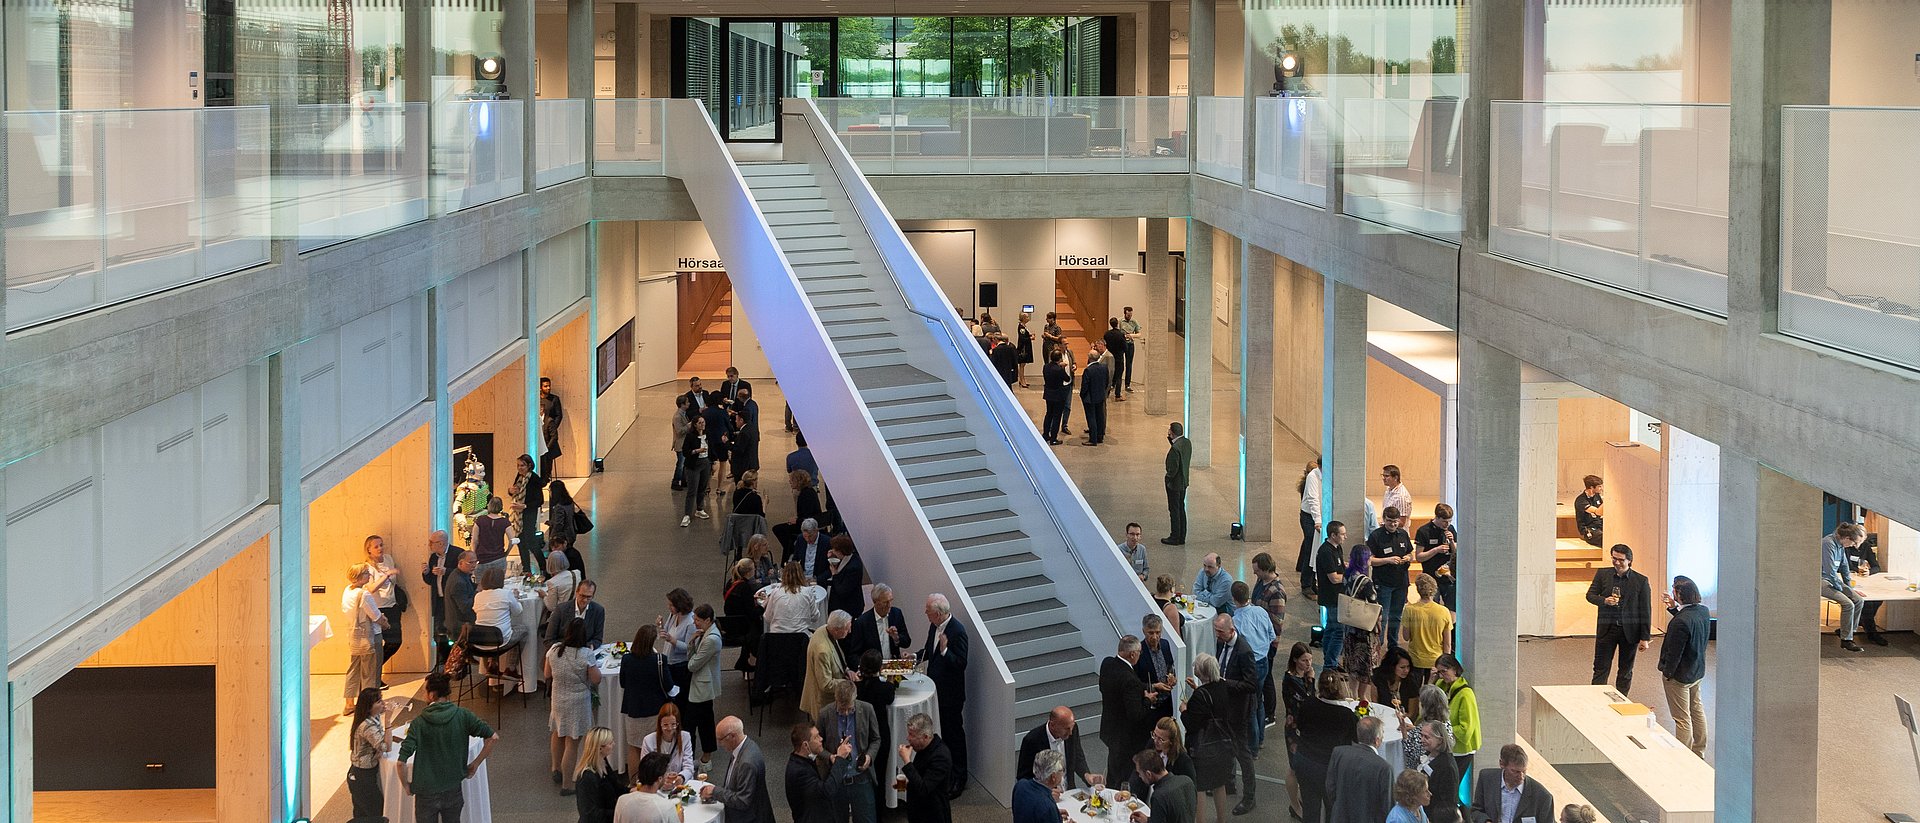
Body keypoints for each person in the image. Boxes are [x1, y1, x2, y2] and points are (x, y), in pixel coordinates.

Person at [397, 672, 498, 823]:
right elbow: (493, 737)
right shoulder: (463, 715)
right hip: (453, 788)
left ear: (432, 695)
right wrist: (475, 765)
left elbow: (401, 762)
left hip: (426, 792)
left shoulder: (418, 723)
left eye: (425, 691)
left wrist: (406, 785)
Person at [1180, 654, 1246, 822]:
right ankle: (1221, 819)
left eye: (1196, 667)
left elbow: (1191, 723)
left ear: (1202, 672)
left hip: (1203, 749)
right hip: (1223, 745)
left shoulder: (1199, 696)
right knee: (1219, 784)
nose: (1194, 668)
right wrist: (1197, 689)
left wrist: (1184, 710)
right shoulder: (1223, 686)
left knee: (1199, 788)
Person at [918, 593, 970, 798]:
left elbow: (961, 664)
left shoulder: (958, 631)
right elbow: (930, 650)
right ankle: (946, 773)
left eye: (928, 611)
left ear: (938, 614)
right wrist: (915, 656)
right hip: (936, 690)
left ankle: (959, 777)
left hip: (951, 695)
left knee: (954, 736)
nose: (925, 613)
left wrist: (946, 650)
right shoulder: (935, 625)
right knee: (943, 735)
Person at [1292, 669, 1358, 823]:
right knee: (1332, 809)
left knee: (1310, 808)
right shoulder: (1346, 715)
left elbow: (1300, 726)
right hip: (1328, 768)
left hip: (1305, 762)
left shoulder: (1308, 704)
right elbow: (1356, 739)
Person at [547, 617, 603, 795]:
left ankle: (555, 768)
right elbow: (596, 679)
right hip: (577, 703)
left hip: (557, 699)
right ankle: (567, 785)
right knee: (572, 743)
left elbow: (547, 673)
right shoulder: (586, 654)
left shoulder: (555, 649)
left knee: (557, 733)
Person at [1586, 544, 1652, 693]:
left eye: (1620, 560)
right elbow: (1590, 595)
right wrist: (1604, 600)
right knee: (1600, 668)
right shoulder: (1602, 574)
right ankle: (1596, 700)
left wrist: (1645, 638)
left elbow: (1646, 611)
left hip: (1629, 632)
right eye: (1614, 558)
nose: (1616, 562)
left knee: (1625, 671)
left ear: (1629, 560)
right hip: (1607, 629)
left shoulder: (1641, 581)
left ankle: (1621, 702)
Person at [1658, 575, 1711, 757]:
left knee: (1682, 718)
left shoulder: (1679, 622)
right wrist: (1673, 608)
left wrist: (1667, 673)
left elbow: (1674, 652)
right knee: (1696, 709)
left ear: (1680, 594)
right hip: (1696, 671)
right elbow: (1688, 622)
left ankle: (1682, 757)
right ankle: (1699, 751)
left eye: (1674, 589)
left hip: (1679, 676)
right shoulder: (1703, 611)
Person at [814, 679, 880, 823]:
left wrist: (869, 757)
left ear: (855, 698)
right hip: (836, 779)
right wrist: (831, 757)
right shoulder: (825, 714)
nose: (844, 713)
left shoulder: (867, 709)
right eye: (841, 709)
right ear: (835, 699)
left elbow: (876, 739)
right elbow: (817, 746)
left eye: (849, 709)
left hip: (861, 777)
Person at [1101, 637, 1158, 785]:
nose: (1140, 655)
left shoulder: (1107, 664)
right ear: (1132, 654)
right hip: (1127, 739)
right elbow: (1135, 714)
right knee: (1125, 776)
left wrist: (1147, 688)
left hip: (1110, 730)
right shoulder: (1129, 679)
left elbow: (1121, 689)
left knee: (1112, 770)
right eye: (1139, 652)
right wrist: (1147, 700)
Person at [1229, 582, 1276, 754]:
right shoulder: (1261, 611)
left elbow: (1237, 647)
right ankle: (1260, 738)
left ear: (1233, 599)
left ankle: (1253, 746)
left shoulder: (1236, 621)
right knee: (1259, 700)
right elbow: (1272, 635)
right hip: (1264, 661)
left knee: (1249, 705)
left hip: (1250, 665)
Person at [702, 716, 774, 823]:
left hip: (748, 818)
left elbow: (743, 801)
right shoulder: (746, 746)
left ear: (732, 736)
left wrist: (715, 791)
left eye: (720, 739)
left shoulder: (747, 763)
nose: (719, 744)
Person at [620, 624, 674, 769]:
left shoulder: (626, 659)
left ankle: (633, 783)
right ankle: (653, 779)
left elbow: (622, 683)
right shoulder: (659, 660)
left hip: (633, 709)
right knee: (654, 747)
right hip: (655, 710)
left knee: (634, 747)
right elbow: (668, 685)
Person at [1325, 716, 1393, 823]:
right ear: (1377, 740)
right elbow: (1387, 806)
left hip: (1340, 817)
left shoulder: (1338, 752)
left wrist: (1339, 808)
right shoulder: (1384, 768)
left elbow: (1330, 788)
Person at [341, 563, 389, 715]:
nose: (370, 575)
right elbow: (375, 616)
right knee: (371, 672)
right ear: (360, 577)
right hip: (370, 637)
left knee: (353, 669)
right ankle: (369, 706)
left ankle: (349, 703)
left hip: (354, 636)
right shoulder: (364, 594)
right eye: (367, 573)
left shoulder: (347, 590)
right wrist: (385, 623)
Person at [786, 722, 857, 823]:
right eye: (816, 737)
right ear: (805, 745)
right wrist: (840, 759)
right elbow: (826, 790)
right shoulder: (799, 772)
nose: (821, 739)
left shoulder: (804, 760)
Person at [1017, 705, 1099, 791]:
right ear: (1052, 725)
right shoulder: (1032, 740)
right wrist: (1045, 792)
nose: (1070, 732)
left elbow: (1077, 756)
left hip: (1069, 791)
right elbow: (1024, 777)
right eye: (1066, 729)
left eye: (1072, 727)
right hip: (1046, 796)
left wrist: (1086, 775)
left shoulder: (1072, 729)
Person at [1468, 744, 1554, 823]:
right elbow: (1476, 811)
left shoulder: (1542, 796)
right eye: (1515, 771)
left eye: (1524, 771)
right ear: (1502, 764)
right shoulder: (1486, 779)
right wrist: (1486, 821)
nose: (1521, 777)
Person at [1367, 505, 1415, 648]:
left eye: (1395, 521)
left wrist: (1407, 558)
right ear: (1384, 520)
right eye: (1389, 521)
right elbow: (1370, 560)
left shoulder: (1403, 534)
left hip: (1401, 583)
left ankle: (1393, 645)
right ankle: (1378, 644)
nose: (1393, 524)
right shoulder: (1376, 536)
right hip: (1383, 583)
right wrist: (1387, 560)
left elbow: (1411, 554)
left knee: (1396, 616)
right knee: (1382, 617)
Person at [1249, 552, 1288, 726]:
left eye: (1257, 571)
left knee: (1267, 677)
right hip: (1257, 636)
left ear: (1265, 569)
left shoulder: (1277, 592)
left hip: (1268, 641)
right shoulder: (1261, 582)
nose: (1255, 574)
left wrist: (1257, 615)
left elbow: (1277, 622)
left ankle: (1270, 713)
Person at [685, 604, 724, 775]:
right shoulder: (705, 634)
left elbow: (692, 665)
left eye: (697, 620)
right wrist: (693, 641)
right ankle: (702, 756)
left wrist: (692, 644)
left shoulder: (711, 640)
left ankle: (706, 757)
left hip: (702, 686)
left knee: (701, 723)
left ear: (707, 620)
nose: (694, 622)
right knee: (703, 721)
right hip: (701, 684)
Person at [1434, 655, 1480, 796]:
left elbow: (1466, 730)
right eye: (1439, 672)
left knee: (1451, 789)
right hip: (1448, 745)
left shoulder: (1466, 694)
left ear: (1454, 669)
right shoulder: (1440, 686)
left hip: (1461, 750)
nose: (1442, 676)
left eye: (1444, 671)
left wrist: (1440, 731)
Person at [898, 712, 954, 823]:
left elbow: (924, 789)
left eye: (912, 735)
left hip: (933, 815)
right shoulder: (924, 748)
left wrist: (907, 761)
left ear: (925, 737)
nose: (908, 738)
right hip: (919, 810)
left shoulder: (940, 756)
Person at [1339, 544, 1383, 684]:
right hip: (1363, 629)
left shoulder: (1347, 575)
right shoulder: (1366, 581)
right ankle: (1363, 697)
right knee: (1364, 666)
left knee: (1352, 664)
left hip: (1350, 626)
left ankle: (1352, 694)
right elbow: (1373, 604)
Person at [1400, 573, 1455, 684]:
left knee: (1414, 694)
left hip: (1416, 659)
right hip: (1436, 661)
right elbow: (1447, 643)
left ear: (1418, 589)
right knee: (1432, 694)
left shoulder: (1410, 610)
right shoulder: (1443, 611)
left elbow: (1406, 637)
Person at [1822, 522, 1869, 652]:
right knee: (1848, 604)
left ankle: (1846, 631)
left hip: (1833, 580)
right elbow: (1830, 571)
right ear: (1847, 538)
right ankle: (1846, 640)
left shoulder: (1840, 546)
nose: (1853, 546)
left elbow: (1844, 567)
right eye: (1853, 543)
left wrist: (1850, 589)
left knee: (1859, 600)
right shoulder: (1828, 543)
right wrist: (1841, 589)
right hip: (1821, 580)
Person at [470, 567, 522, 683]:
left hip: (479, 641)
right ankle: (511, 668)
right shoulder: (506, 594)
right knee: (524, 629)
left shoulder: (478, 596)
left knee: (492, 627)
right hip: (500, 641)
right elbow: (518, 612)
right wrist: (516, 598)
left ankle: (492, 665)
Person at [362, 535, 404, 679]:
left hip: (393, 606)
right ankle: (373, 675)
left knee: (395, 642)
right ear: (369, 550)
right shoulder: (367, 567)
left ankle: (374, 672)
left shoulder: (388, 559)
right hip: (379, 610)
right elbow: (371, 588)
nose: (380, 548)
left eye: (381, 545)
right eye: (376, 546)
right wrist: (386, 575)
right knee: (380, 644)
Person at [1129, 717, 1199, 799]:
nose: (1156, 741)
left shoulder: (1183, 760)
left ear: (1171, 741)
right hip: (1148, 795)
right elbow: (1140, 770)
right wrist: (1130, 792)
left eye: (1161, 739)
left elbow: (1190, 789)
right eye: (1154, 735)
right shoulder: (1151, 744)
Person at [801, 609, 856, 714]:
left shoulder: (825, 629)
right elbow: (826, 684)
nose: (849, 631)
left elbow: (838, 656)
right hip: (824, 703)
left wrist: (847, 670)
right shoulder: (823, 651)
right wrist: (849, 683)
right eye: (846, 629)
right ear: (836, 629)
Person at [346, 687, 387, 823]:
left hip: (361, 774)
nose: (383, 703)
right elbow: (385, 746)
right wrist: (389, 722)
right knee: (374, 812)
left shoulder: (372, 719)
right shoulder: (367, 726)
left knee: (362, 813)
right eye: (379, 701)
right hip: (361, 776)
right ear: (369, 707)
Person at [1132, 748, 1199, 823]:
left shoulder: (1159, 796)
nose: (1139, 776)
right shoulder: (1187, 781)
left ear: (1148, 774)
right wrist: (1149, 820)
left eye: (1140, 773)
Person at [848, 583, 912, 661]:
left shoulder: (896, 614)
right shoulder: (862, 622)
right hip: (873, 669)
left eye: (891, 600)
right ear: (875, 602)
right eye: (885, 602)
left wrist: (896, 638)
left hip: (893, 667)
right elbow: (853, 655)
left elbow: (907, 642)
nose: (889, 605)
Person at [1413, 504, 1458, 610]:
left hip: (1448, 578)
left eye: (1450, 521)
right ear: (1436, 517)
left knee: (1452, 609)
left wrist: (1452, 541)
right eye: (1444, 521)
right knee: (1432, 609)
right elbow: (1419, 557)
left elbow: (1456, 553)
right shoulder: (1424, 531)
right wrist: (1436, 550)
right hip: (1431, 577)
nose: (1447, 524)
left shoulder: (1450, 529)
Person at [613, 752, 680, 823]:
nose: (667, 776)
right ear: (660, 779)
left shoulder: (621, 801)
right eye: (666, 774)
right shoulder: (667, 807)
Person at [1315, 521, 1348, 661]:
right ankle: (1331, 662)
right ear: (1333, 535)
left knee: (1330, 628)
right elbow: (1334, 578)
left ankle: (1328, 658)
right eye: (1342, 534)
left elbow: (1340, 566)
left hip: (1338, 596)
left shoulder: (1337, 547)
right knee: (1338, 631)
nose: (1345, 537)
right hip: (1331, 596)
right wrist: (1350, 576)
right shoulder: (1326, 552)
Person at [574, 727, 622, 823]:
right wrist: (619, 812)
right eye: (610, 743)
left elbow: (616, 786)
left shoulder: (603, 762)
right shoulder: (587, 777)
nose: (614, 744)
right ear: (600, 748)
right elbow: (589, 814)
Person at [422, 530, 456, 663]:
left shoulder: (457, 553)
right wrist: (426, 573)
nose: (429, 545)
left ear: (441, 543)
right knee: (439, 631)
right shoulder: (433, 557)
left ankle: (457, 660)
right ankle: (444, 659)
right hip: (439, 600)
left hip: (453, 601)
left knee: (454, 630)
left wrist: (446, 571)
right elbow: (431, 581)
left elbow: (465, 574)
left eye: (431, 542)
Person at [1418, 721, 1462, 823]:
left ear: (1440, 740)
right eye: (1421, 736)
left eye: (1426, 737)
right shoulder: (1429, 754)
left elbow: (1447, 802)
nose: (1422, 740)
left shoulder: (1447, 767)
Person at [1136, 613, 1178, 720]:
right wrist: (1154, 686)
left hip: (1167, 703)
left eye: (1158, 632)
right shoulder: (1138, 652)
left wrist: (1172, 677)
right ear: (1143, 632)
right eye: (1151, 633)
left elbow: (1170, 667)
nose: (1155, 637)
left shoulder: (1165, 644)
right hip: (1149, 705)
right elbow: (1135, 683)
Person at [641, 703, 696, 784]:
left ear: (678, 724)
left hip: (679, 785)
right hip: (656, 785)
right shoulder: (648, 740)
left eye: (673, 724)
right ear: (660, 724)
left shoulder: (685, 737)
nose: (670, 728)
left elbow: (689, 766)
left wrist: (681, 778)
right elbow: (645, 770)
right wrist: (661, 781)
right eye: (665, 725)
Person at [766, 560, 824, 635]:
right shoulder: (807, 592)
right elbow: (815, 617)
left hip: (777, 639)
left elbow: (767, 617)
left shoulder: (775, 592)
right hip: (801, 639)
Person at [547, 578, 606, 649]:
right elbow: (549, 640)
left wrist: (588, 648)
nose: (585, 600)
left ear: (593, 596)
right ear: (576, 592)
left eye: (588, 597)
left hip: (585, 652)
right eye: (582, 596)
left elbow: (597, 639)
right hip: (562, 652)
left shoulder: (598, 610)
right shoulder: (561, 609)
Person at [1014, 750, 1067, 823]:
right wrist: (1052, 815)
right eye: (1062, 771)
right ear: (1053, 777)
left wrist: (1055, 815)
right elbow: (1043, 810)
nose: (1063, 774)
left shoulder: (1020, 785)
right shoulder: (1047, 806)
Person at [679, 415, 714, 527]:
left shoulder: (707, 435)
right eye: (699, 423)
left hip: (705, 464)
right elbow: (685, 452)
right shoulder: (690, 436)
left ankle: (700, 509)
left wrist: (713, 463)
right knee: (692, 490)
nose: (702, 424)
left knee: (702, 488)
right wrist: (696, 451)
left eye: (703, 422)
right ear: (695, 425)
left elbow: (712, 450)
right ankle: (687, 514)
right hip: (693, 465)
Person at [1298, 458, 1324, 599]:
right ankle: (1306, 584)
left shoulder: (1328, 474)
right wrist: (1318, 521)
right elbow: (1313, 499)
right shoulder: (1313, 477)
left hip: (1321, 516)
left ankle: (1315, 582)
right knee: (1310, 549)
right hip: (1309, 517)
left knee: (1319, 550)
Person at [825, 535, 866, 619]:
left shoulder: (853, 567)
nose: (833, 551)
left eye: (835, 550)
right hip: (841, 602)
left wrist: (834, 574)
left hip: (848, 606)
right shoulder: (848, 557)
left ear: (840, 551)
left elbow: (842, 591)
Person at [1164, 423, 1192, 545]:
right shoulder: (1186, 443)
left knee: (1174, 510)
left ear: (1172, 432)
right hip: (1184, 482)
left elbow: (1173, 468)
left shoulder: (1175, 449)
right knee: (1181, 508)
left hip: (1174, 484)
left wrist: (1168, 478)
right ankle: (1182, 536)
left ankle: (1174, 536)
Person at [472, 496, 510, 575]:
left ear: (489, 505)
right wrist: (506, 552)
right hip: (499, 558)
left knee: (481, 586)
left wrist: (474, 553)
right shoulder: (505, 522)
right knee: (498, 585)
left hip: (482, 559)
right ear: (501, 507)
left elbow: (475, 540)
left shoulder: (480, 520)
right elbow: (513, 540)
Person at [1080, 346, 1110, 445]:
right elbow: (1107, 382)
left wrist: (1082, 395)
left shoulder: (1088, 370)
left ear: (1089, 358)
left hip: (1090, 398)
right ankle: (1100, 437)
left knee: (1091, 418)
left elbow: (1085, 386)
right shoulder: (1104, 367)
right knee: (1100, 416)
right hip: (1100, 396)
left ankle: (1093, 439)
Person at [1042, 350, 1073, 444]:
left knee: (1049, 414)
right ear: (1060, 359)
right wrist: (1062, 368)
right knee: (1057, 417)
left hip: (1048, 394)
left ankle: (1046, 434)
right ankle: (1053, 439)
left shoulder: (1046, 367)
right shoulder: (1059, 370)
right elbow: (1067, 378)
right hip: (1058, 395)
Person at [539, 375, 564, 478]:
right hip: (539, 432)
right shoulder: (536, 399)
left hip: (549, 432)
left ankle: (547, 476)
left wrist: (552, 428)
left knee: (548, 457)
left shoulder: (554, 399)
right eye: (545, 386)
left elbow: (559, 415)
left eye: (549, 386)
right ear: (540, 387)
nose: (548, 388)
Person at [548, 480, 582, 550]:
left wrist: (552, 537)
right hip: (571, 533)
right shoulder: (569, 501)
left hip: (563, 536)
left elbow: (559, 524)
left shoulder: (559, 507)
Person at [670, 395, 694, 491]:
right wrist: (689, 425)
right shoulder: (677, 417)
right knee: (680, 464)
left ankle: (684, 481)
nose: (689, 403)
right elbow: (679, 431)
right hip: (680, 444)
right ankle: (675, 481)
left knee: (684, 464)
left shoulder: (684, 414)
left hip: (685, 443)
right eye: (687, 402)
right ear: (682, 404)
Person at [1573, 476, 1604, 547]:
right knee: (1604, 538)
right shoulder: (1581, 500)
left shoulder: (1597, 496)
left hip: (1600, 525)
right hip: (1589, 529)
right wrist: (1609, 498)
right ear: (1592, 487)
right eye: (1599, 486)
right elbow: (1598, 512)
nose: (1601, 489)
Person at [1103, 318, 1129, 400]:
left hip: (1109, 357)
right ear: (1117, 324)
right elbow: (1125, 347)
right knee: (1118, 376)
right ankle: (1117, 395)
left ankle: (1106, 393)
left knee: (1109, 375)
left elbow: (1105, 345)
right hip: (1118, 358)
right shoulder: (1120, 334)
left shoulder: (1107, 334)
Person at [1119, 306, 1142, 392]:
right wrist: (1124, 336)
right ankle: (1117, 383)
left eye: (1131, 315)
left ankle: (1127, 384)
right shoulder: (1120, 321)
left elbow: (1139, 334)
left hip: (1130, 344)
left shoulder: (1134, 322)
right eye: (1128, 315)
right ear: (1125, 313)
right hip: (1122, 344)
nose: (1129, 317)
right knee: (1120, 364)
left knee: (1129, 364)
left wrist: (1131, 335)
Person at [1016, 312, 1036, 388]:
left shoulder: (1024, 326)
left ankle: (1022, 379)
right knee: (1022, 364)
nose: (1028, 318)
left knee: (1023, 365)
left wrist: (1030, 335)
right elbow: (1022, 338)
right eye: (1027, 317)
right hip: (1023, 348)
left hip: (1025, 347)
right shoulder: (1021, 327)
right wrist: (1030, 338)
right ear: (1023, 318)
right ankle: (1022, 380)